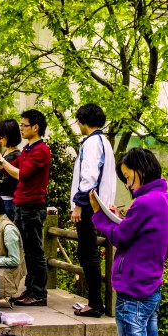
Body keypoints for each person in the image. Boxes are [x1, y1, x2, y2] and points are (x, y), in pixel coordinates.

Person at [90, 148, 168, 336]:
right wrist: (119, 218)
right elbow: (136, 232)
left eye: (128, 177)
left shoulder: (145, 203)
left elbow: (121, 236)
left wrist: (98, 214)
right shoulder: (163, 199)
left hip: (133, 293)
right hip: (151, 289)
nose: (127, 184)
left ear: (141, 170)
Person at [0, 109, 51, 307]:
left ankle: (39, 293)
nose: (21, 129)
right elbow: (8, 167)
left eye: (24, 125)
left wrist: (1, 161)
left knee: (35, 252)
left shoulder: (41, 150)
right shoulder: (27, 150)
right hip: (22, 205)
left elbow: (21, 174)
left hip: (33, 206)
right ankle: (30, 289)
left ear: (36, 127)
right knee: (26, 251)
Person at [70, 104, 116, 318]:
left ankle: (95, 304)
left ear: (83, 121)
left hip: (89, 204)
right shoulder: (104, 141)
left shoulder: (91, 143)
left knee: (87, 253)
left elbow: (88, 177)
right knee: (89, 252)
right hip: (99, 204)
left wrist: (78, 204)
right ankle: (94, 301)